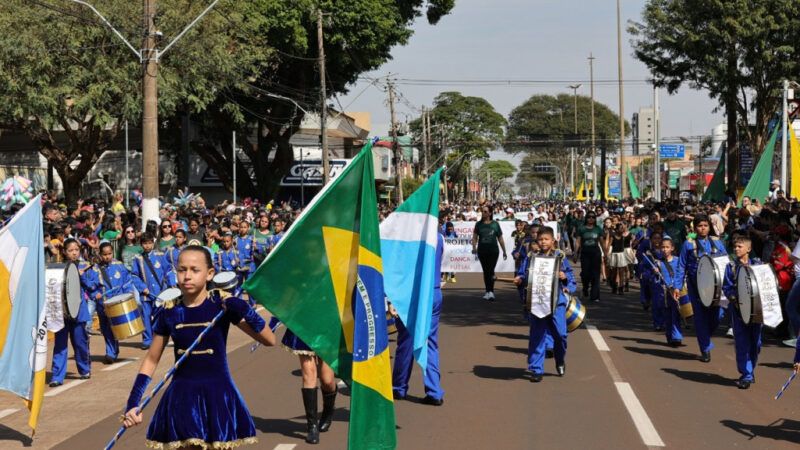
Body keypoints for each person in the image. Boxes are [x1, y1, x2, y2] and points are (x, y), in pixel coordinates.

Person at [122, 246, 276, 448]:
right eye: (182, 269)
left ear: (210, 273)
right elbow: (151, 359)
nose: (187, 276)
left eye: (195, 270)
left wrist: (246, 310)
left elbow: (269, 339)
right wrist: (133, 402)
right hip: (182, 396)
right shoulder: (169, 311)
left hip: (218, 394)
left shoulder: (221, 305)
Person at [514, 227, 576, 382]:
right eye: (540, 239)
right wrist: (520, 279)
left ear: (553, 240)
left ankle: (560, 359)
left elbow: (570, 276)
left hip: (556, 302)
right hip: (537, 301)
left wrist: (564, 278)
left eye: (546, 239)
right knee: (537, 335)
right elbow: (523, 273)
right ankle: (536, 368)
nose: (543, 242)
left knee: (561, 335)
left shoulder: (560, 257)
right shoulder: (531, 257)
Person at [392, 232, 445, 405]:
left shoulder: (408, 236)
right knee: (430, 341)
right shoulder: (438, 237)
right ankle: (434, 390)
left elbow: (400, 269)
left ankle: (399, 387)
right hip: (433, 290)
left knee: (406, 341)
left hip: (412, 292)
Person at [673, 215, 727, 362]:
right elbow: (681, 266)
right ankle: (705, 348)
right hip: (696, 286)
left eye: (705, 225)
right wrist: (677, 287)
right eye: (700, 226)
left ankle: (705, 336)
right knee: (701, 317)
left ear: (710, 227)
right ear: (694, 228)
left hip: (716, 287)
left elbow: (725, 262)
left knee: (718, 314)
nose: (703, 228)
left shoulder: (717, 242)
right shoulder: (688, 244)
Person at [85, 241, 136, 364]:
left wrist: (129, 291)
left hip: (118, 305)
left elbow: (126, 281)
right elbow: (91, 286)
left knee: (115, 328)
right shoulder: (95, 269)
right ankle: (112, 351)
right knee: (106, 329)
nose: (107, 256)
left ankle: (111, 352)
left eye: (109, 254)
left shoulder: (119, 265)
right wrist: (94, 294)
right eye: (104, 254)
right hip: (103, 305)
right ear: (100, 255)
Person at [49, 239, 92, 387]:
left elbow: (92, 286)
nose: (74, 253)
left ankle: (84, 369)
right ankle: (57, 375)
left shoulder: (85, 266)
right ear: (64, 252)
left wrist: (81, 277)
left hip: (79, 311)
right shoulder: (57, 268)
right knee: (60, 344)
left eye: (76, 250)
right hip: (61, 312)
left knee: (80, 343)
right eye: (70, 250)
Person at [722, 236, 762, 389]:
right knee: (742, 342)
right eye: (735, 246)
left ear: (748, 249)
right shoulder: (731, 267)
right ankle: (746, 374)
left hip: (756, 311)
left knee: (756, 342)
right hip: (739, 310)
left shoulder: (758, 264)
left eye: (740, 246)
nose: (736, 249)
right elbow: (727, 286)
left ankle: (751, 368)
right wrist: (733, 296)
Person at [131, 233, 174, 350]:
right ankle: (147, 340)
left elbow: (168, 271)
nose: (147, 246)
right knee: (145, 316)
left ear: (153, 243)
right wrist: (142, 287)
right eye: (145, 243)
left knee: (159, 316)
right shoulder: (138, 258)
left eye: (150, 243)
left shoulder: (160, 255)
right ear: (141, 244)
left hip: (160, 293)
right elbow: (134, 275)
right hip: (146, 294)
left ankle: (159, 337)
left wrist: (172, 284)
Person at [472, 205, 507, 301]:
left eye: (486, 212)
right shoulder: (478, 224)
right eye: (483, 211)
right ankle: (487, 291)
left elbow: (500, 238)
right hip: (482, 251)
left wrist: (504, 251)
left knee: (491, 270)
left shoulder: (495, 224)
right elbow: (475, 237)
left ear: (490, 213)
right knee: (486, 271)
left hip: (493, 251)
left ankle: (491, 291)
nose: (483, 213)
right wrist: (474, 247)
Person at [573, 212, 602, 303]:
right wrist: (575, 253)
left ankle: (595, 295)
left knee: (596, 274)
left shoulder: (598, 229)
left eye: (593, 217)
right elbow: (578, 242)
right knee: (585, 273)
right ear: (586, 218)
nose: (591, 219)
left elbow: (602, 242)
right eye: (589, 217)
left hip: (596, 253)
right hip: (585, 252)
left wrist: (606, 254)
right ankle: (585, 287)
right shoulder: (582, 229)